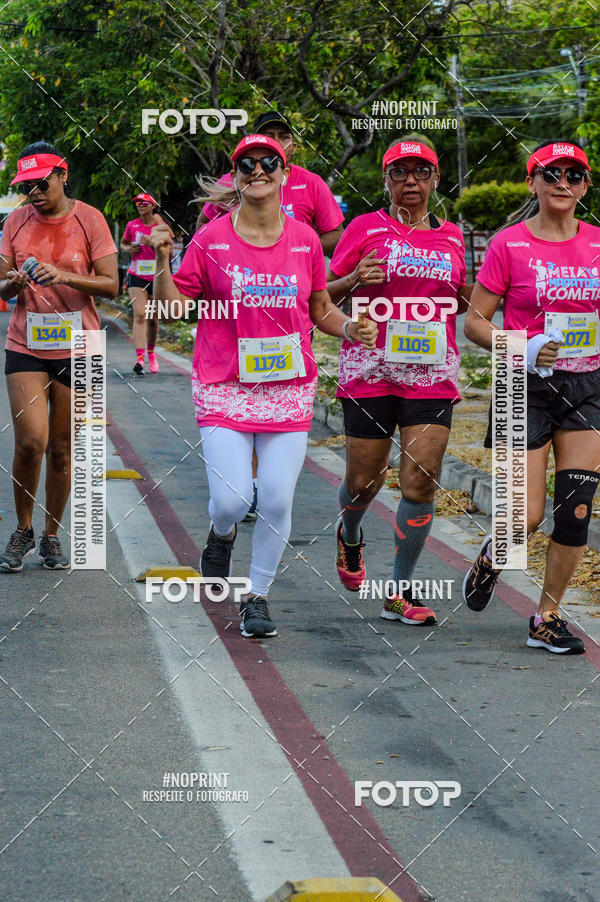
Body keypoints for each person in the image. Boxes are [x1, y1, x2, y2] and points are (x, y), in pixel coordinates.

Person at [149, 134, 376, 638]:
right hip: (224, 385)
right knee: (232, 500)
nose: (258, 170)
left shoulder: (304, 239)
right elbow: (174, 306)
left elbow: (319, 308)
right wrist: (164, 258)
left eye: (268, 162)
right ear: (235, 176)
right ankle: (221, 532)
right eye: (246, 164)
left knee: (275, 499)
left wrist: (350, 327)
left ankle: (257, 596)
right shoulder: (211, 240)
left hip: (287, 388)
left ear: (284, 172)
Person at [462, 139, 600, 655]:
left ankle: (546, 617)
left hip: (587, 385)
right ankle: (494, 554)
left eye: (574, 174)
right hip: (526, 388)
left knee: (577, 507)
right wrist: (522, 345)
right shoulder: (509, 245)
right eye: (550, 173)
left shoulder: (598, 242)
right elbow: (475, 322)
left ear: (585, 185)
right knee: (526, 517)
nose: (562, 181)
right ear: (533, 183)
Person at [327, 135, 470, 626]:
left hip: (431, 375)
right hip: (369, 372)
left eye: (421, 172)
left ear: (435, 179)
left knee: (421, 480)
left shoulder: (452, 237)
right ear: (385, 181)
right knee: (364, 482)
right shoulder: (365, 228)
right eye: (399, 172)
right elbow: (320, 295)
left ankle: (400, 589)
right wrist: (352, 283)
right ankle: (350, 532)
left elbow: (463, 298)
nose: (410, 181)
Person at [0, 141, 118, 571]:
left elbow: (111, 285)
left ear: (63, 175)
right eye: (25, 185)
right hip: (25, 344)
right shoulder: (15, 221)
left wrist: (64, 274)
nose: (33, 191)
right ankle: (23, 530)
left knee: (64, 449)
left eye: (40, 182)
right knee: (31, 441)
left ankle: (51, 535)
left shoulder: (90, 219)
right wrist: (12, 283)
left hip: (80, 346)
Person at [196, 111, 345, 255]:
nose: (277, 142)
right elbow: (204, 224)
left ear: (294, 148)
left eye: (284, 137)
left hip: (292, 277)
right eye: (268, 136)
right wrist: (228, 253)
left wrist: (298, 252)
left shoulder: (312, 182)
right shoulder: (237, 179)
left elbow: (336, 234)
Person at [121, 193, 163, 374]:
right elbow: (123, 244)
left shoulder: (159, 225)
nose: (140, 205)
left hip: (156, 276)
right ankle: (139, 359)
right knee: (140, 314)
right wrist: (129, 248)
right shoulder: (132, 225)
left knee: (153, 319)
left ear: (153, 205)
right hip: (136, 274)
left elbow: (167, 243)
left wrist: (153, 243)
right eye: (137, 202)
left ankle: (152, 353)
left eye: (144, 202)